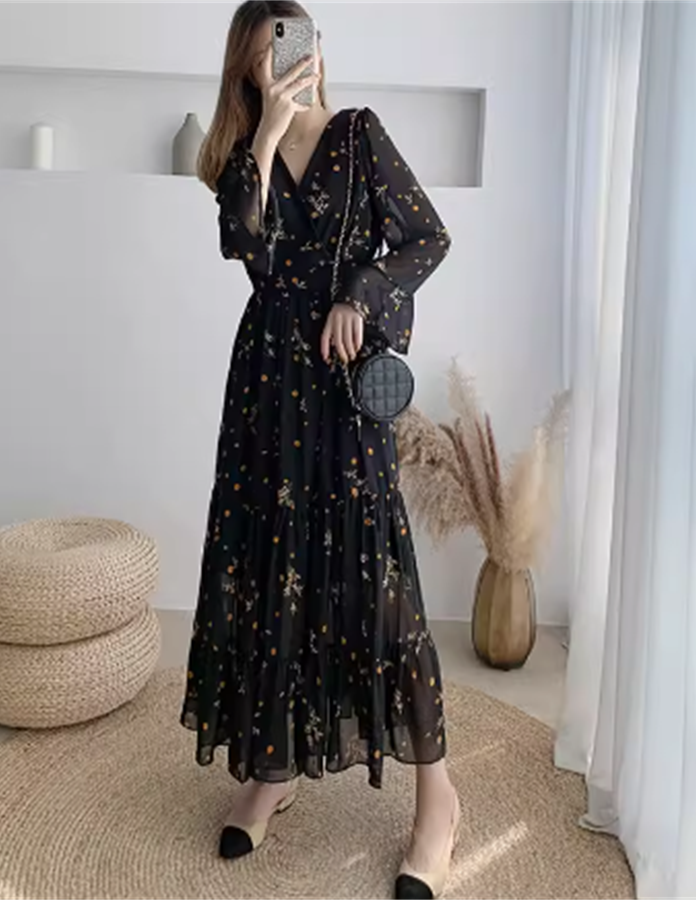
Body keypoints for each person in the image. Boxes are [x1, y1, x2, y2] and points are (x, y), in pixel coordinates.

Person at [180, 1, 458, 897]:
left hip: (341, 390)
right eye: (265, 55)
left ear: (316, 51)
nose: (286, 63)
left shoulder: (359, 135)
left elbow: (427, 235)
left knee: (378, 584)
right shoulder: (236, 158)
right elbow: (243, 244)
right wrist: (265, 134)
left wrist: (362, 295)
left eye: (294, 45)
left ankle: (438, 801)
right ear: (246, 69)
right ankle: (274, 769)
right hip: (267, 389)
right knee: (271, 570)